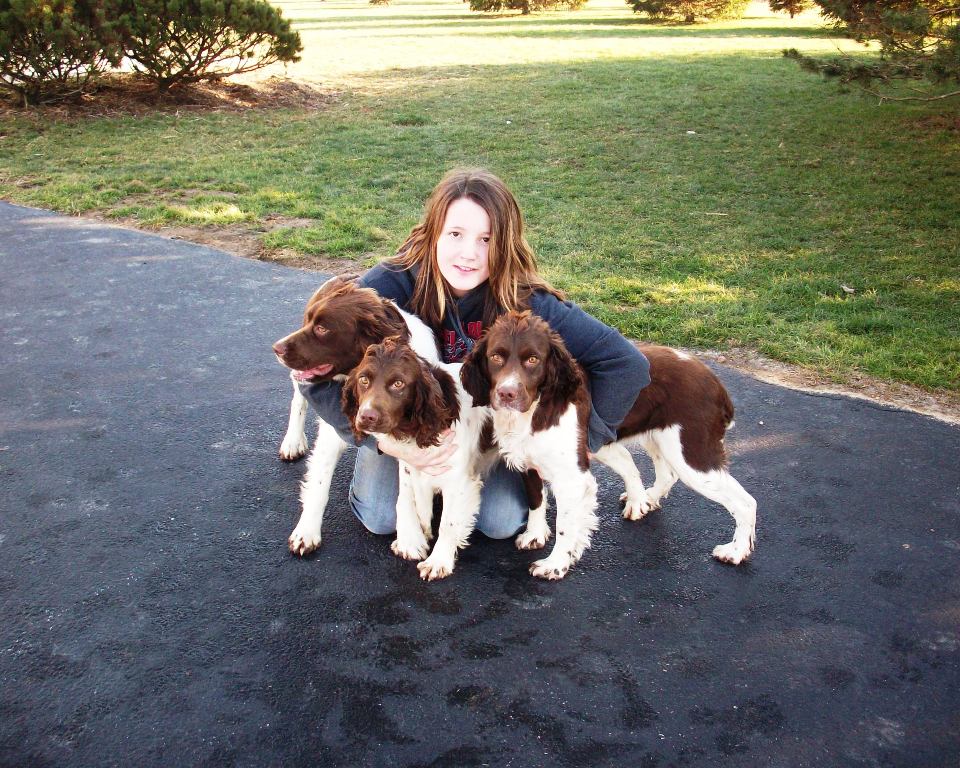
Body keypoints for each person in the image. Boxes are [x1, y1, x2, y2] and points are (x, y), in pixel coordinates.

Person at [300, 169, 650, 540]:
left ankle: (450, 492)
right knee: (380, 516)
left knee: (499, 523)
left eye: (486, 240)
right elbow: (311, 374)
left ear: (506, 244)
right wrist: (381, 443)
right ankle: (418, 485)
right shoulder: (389, 286)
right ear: (433, 230)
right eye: (455, 234)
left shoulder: (526, 302)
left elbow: (624, 363)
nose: (469, 253)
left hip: (483, 434)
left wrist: (587, 440)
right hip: (401, 426)